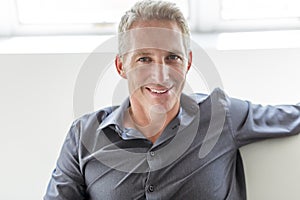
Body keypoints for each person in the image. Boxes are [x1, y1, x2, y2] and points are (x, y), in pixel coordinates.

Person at [44, 0, 300, 199]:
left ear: (188, 62)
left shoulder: (220, 115)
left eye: (172, 58)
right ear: (121, 66)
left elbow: (292, 115)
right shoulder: (83, 135)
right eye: (144, 59)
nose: (160, 75)